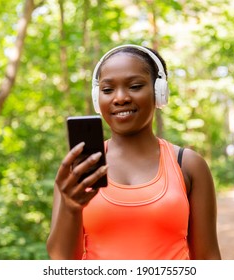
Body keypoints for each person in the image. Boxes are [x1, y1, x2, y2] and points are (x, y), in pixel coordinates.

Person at [46, 44, 221, 260]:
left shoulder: (188, 164)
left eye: (135, 86)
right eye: (107, 90)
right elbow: (61, 262)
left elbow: (208, 258)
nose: (120, 98)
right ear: (97, 99)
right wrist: (71, 208)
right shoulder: (78, 170)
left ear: (159, 92)